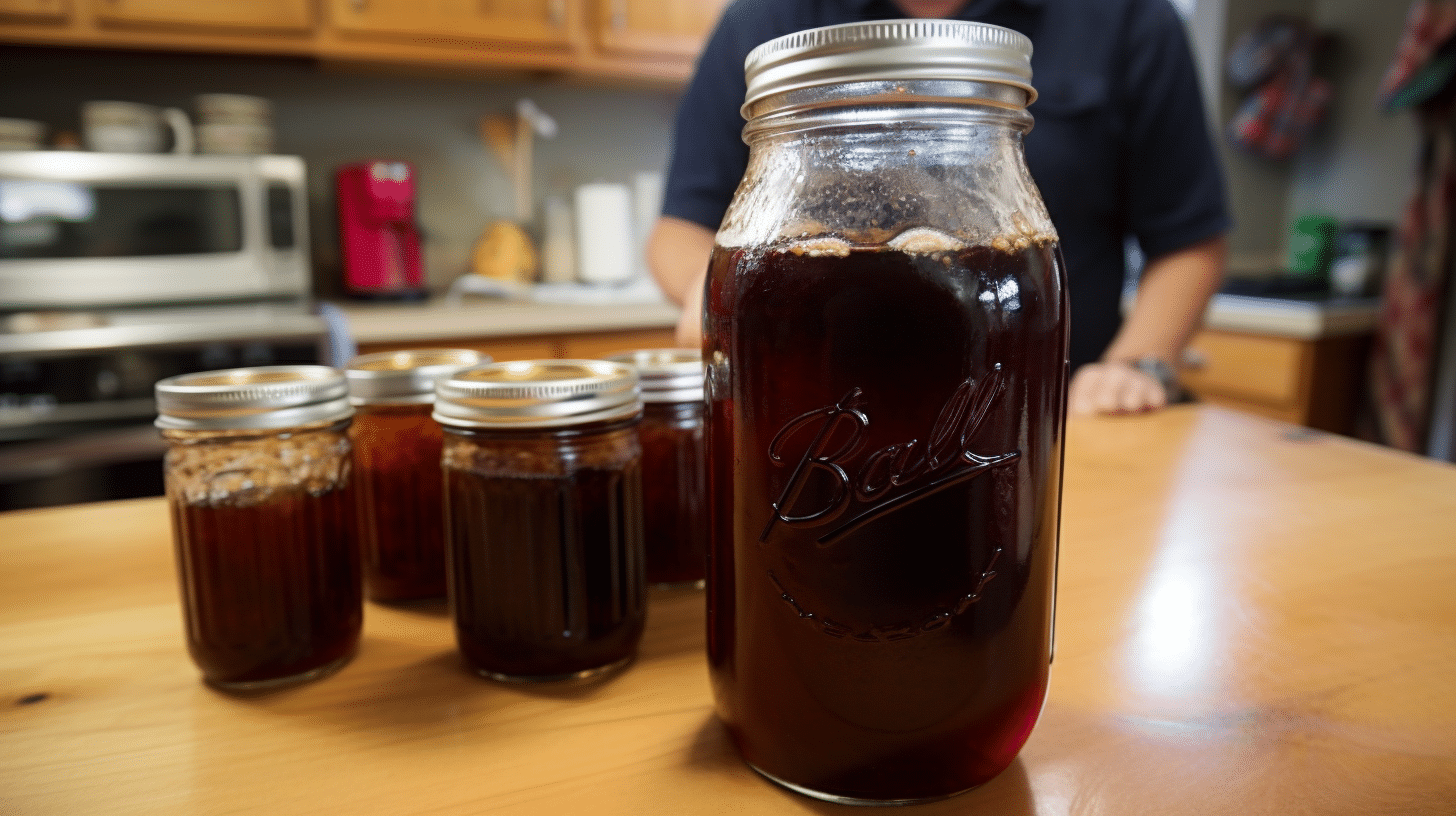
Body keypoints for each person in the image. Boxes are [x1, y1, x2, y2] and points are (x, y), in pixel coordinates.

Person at [647, 0, 1231, 415]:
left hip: (1041, 419)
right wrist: (719, 289)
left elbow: (1190, 238)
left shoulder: (1128, 18)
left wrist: (1133, 367)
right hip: (807, 412)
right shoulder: (764, 20)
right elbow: (680, 227)